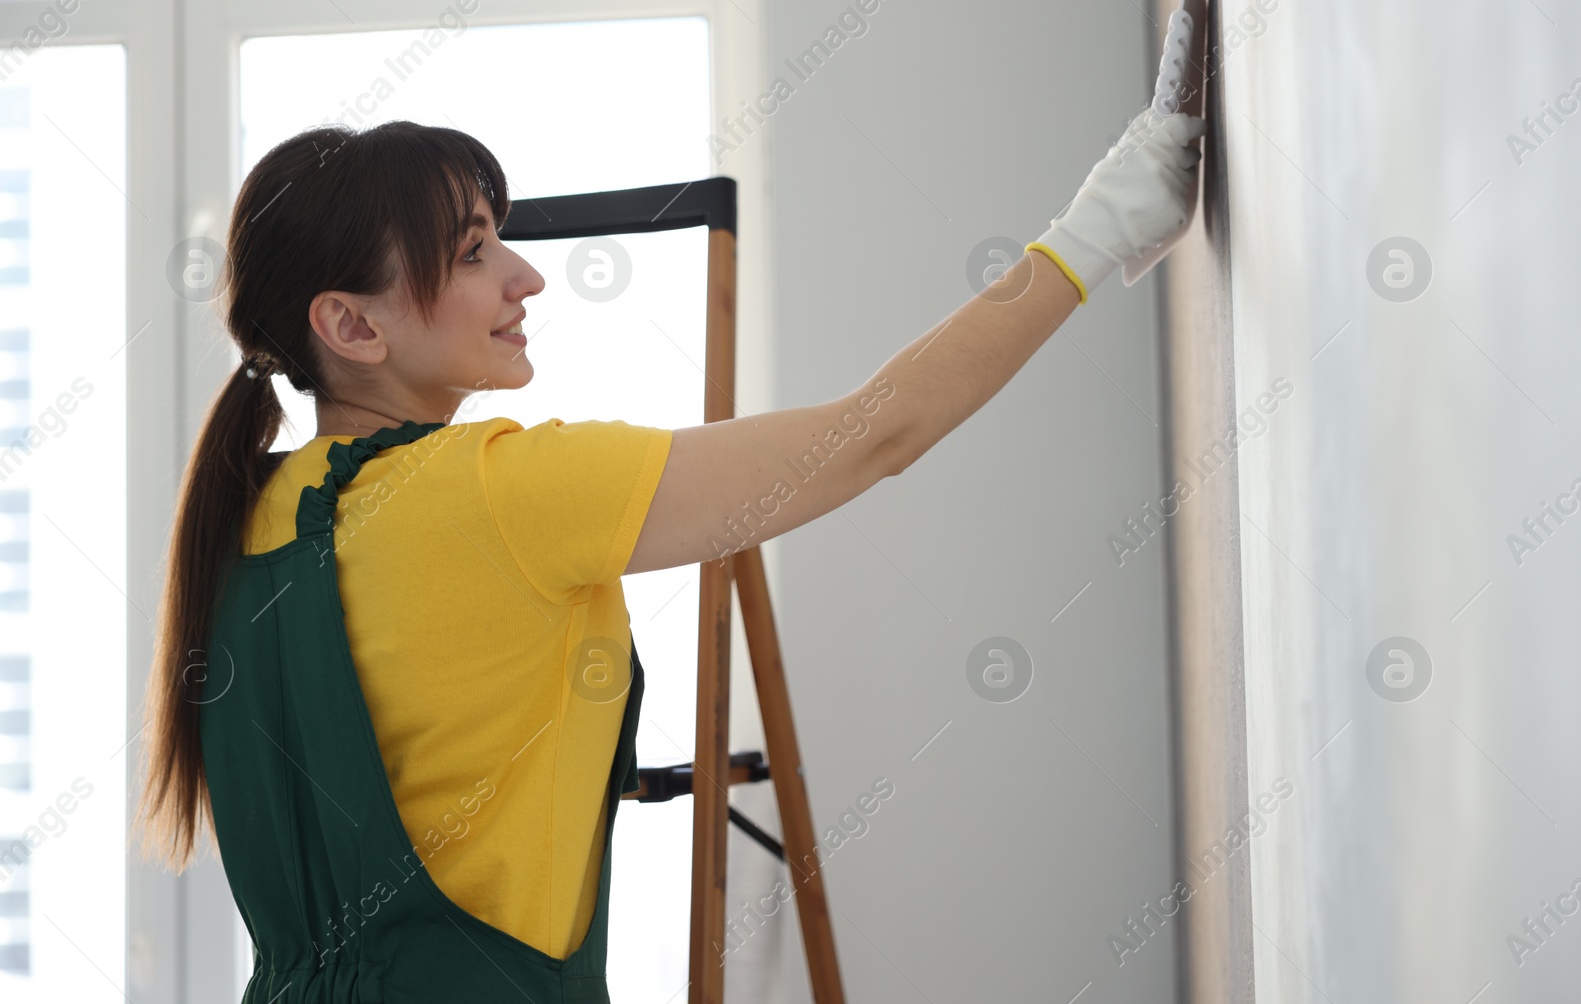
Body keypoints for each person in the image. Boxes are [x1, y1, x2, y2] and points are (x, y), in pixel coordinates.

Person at [134, 108, 1202, 1002]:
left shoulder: (236, 524)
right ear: (351, 326)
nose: (524, 278)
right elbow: (877, 431)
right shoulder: (498, 491)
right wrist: (1098, 225)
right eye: (470, 253)